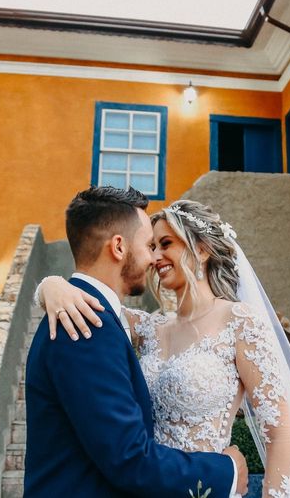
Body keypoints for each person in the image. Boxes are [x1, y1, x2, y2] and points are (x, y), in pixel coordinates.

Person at [39, 198, 290, 497]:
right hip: (149, 486)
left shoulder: (240, 323)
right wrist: (50, 286)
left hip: (208, 489)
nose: (155, 257)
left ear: (201, 250)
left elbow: (280, 433)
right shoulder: (150, 327)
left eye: (166, 244)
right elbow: (95, 307)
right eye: (151, 246)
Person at [23, 187, 247, 498]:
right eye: (148, 245)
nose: (155, 258)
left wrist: (51, 284)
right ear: (118, 247)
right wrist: (228, 473)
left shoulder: (95, 316)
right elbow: (129, 459)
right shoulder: (88, 327)